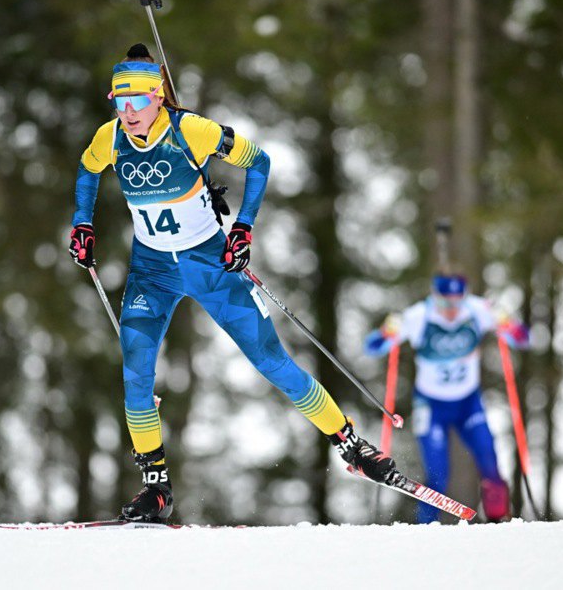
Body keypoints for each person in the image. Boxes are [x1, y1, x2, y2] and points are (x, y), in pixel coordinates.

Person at [68, 43, 396, 523]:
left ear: (158, 96)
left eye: (137, 101)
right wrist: (83, 223)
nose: (129, 112)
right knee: (135, 377)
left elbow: (258, 161)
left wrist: (243, 227)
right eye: (120, 102)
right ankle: (156, 488)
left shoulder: (192, 131)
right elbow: (87, 169)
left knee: (271, 361)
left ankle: (350, 444)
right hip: (151, 272)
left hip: (210, 267)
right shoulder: (110, 137)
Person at [364, 273, 524, 523]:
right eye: (444, 304)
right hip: (431, 405)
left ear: (465, 298)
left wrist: (508, 324)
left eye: (456, 303)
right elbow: (373, 347)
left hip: (467, 402)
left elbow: (521, 338)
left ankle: (498, 521)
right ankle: (427, 529)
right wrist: (387, 331)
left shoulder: (477, 310)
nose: (451, 310)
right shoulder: (419, 316)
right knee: (437, 474)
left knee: (489, 462)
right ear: (434, 298)